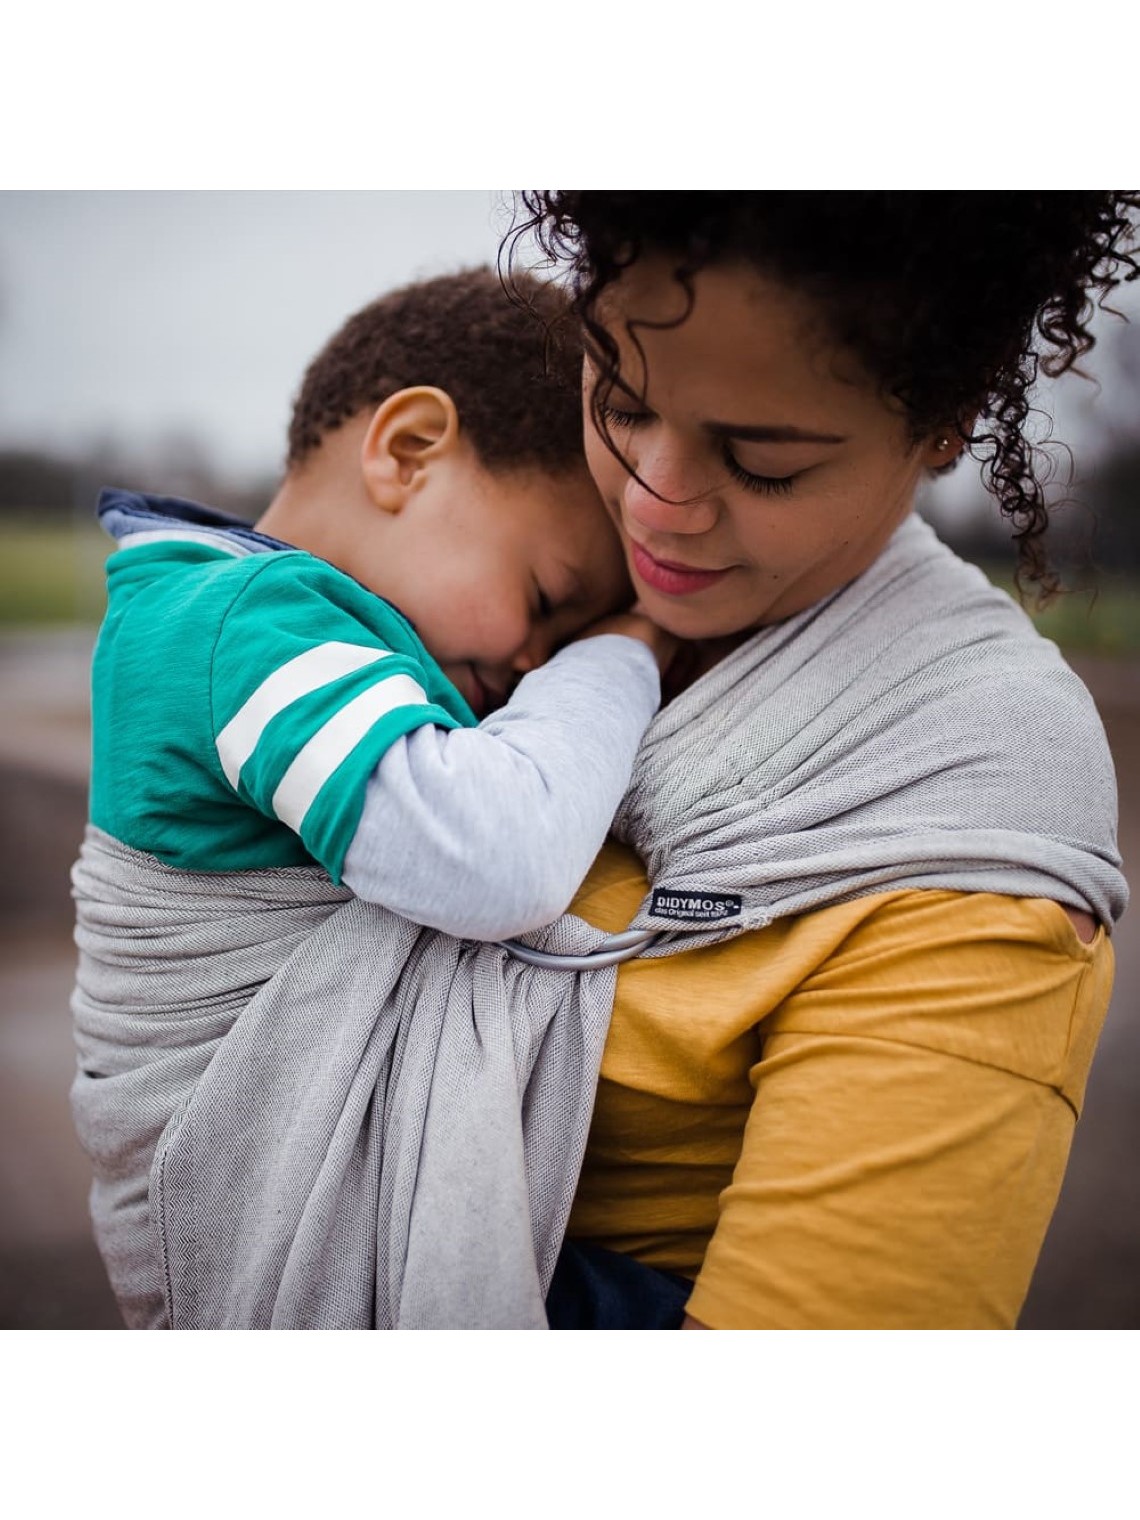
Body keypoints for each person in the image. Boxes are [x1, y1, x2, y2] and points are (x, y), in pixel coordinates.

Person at [509, 190, 1137, 1328]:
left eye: (764, 463)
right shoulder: (507, 529)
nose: (655, 502)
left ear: (942, 424)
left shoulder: (976, 799)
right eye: (618, 397)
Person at [86, 267, 674, 945]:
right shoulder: (237, 626)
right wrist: (622, 650)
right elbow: (503, 861)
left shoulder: (226, 618)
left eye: (569, 638)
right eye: (545, 599)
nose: (534, 662)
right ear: (409, 453)